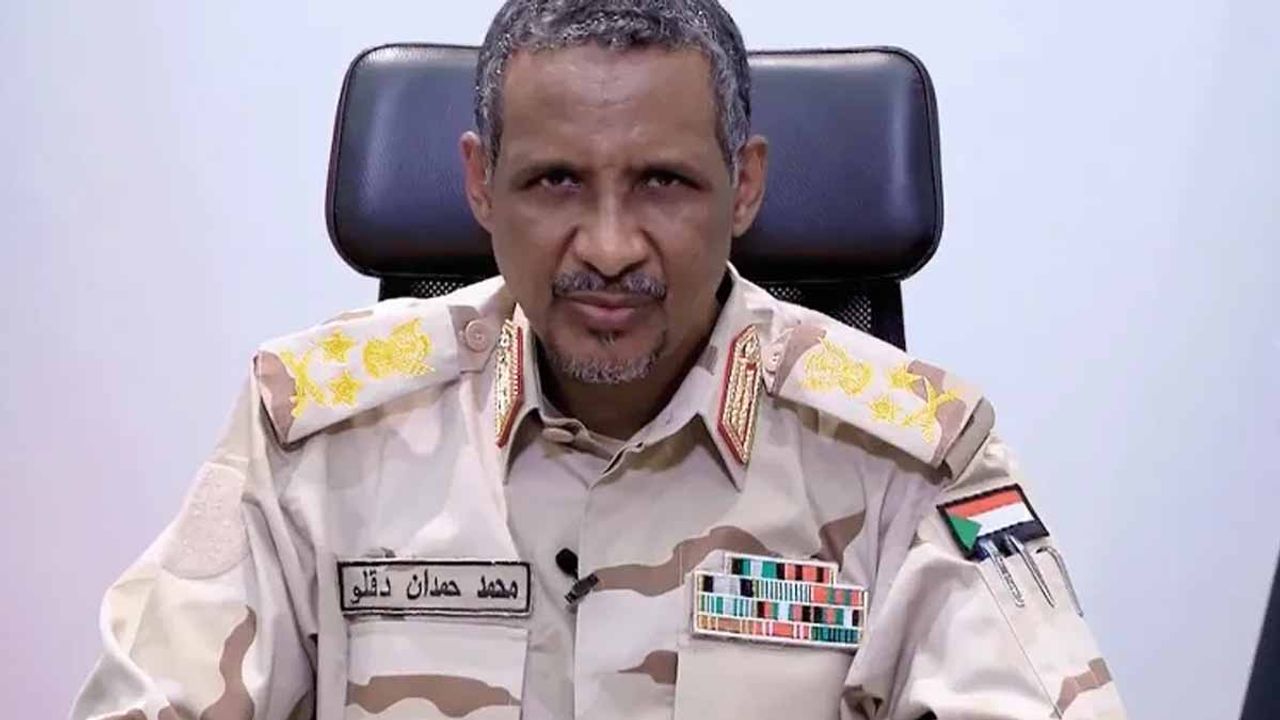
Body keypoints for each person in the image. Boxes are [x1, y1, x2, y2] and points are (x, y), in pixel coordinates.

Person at [72, 1, 1126, 718]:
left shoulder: (914, 454)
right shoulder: (314, 431)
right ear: (480, 186)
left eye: (663, 182)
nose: (611, 247)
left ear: (745, 186)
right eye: (555, 183)